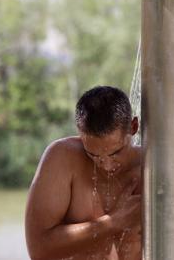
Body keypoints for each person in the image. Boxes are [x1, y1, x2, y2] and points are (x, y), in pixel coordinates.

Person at [25, 86, 142, 260]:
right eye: (93, 154)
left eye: (116, 153)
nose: (106, 165)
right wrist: (115, 222)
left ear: (133, 126)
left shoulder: (152, 167)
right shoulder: (62, 157)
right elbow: (39, 250)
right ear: (81, 133)